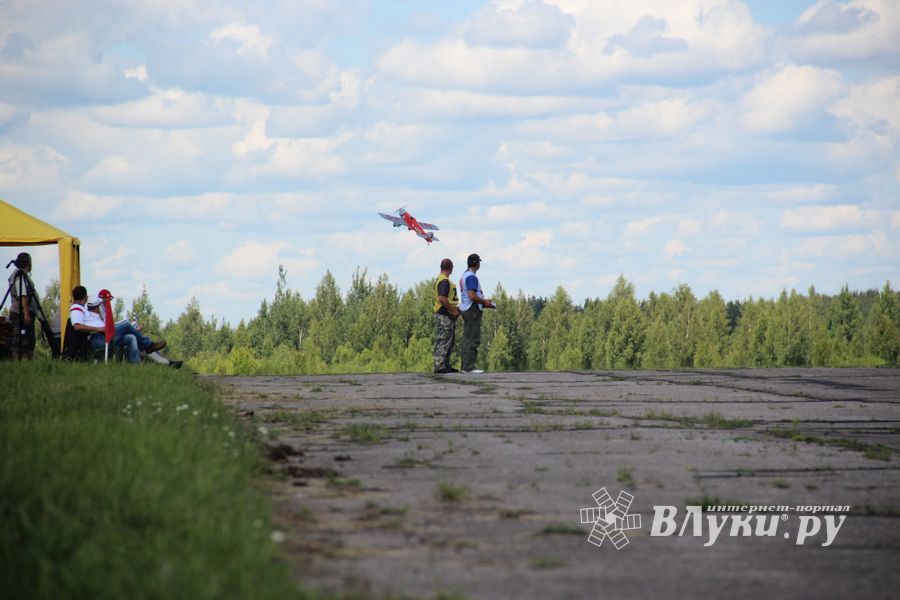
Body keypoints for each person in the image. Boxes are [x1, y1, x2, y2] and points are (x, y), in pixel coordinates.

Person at [69, 286, 181, 367]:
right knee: (127, 324)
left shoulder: (83, 309)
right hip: (97, 338)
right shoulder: (76, 309)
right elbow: (77, 326)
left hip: (103, 335)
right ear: (84, 296)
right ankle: (148, 345)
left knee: (131, 337)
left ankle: (136, 368)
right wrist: (99, 328)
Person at [458, 253, 493, 374]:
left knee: (467, 338)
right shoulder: (472, 277)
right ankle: (469, 367)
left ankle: (465, 366)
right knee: (473, 338)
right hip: (472, 310)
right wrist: (485, 302)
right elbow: (472, 296)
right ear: (476, 264)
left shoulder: (463, 276)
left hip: (466, 309)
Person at [6, 252, 38, 360]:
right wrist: (26, 314)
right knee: (21, 338)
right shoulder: (19, 277)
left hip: (21, 312)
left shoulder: (19, 275)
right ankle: (20, 363)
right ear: (28, 263)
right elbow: (22, 295)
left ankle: (24, 363)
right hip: (21, 313)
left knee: (25, 338)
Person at [432, 258, 460, 373]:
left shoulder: (440, 279)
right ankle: (440, 365)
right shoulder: (444, 281)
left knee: (449, 340)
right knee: (443, 339)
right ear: (451, 268)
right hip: (444, 314)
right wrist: (452, 310)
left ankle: (445, 364)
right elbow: (442, 298)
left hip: (445, 313)